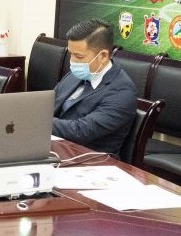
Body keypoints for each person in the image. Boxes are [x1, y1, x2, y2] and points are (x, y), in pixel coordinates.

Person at [53, 18, 136, 156]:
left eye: (79, 56)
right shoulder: (75, 75)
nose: (72, 61)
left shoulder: (122, 91)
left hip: (88, 159)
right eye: (70, 54)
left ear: (103, 56)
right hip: (57, 148)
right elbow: (49, 103)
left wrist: (40, 122)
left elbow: (81, 131)